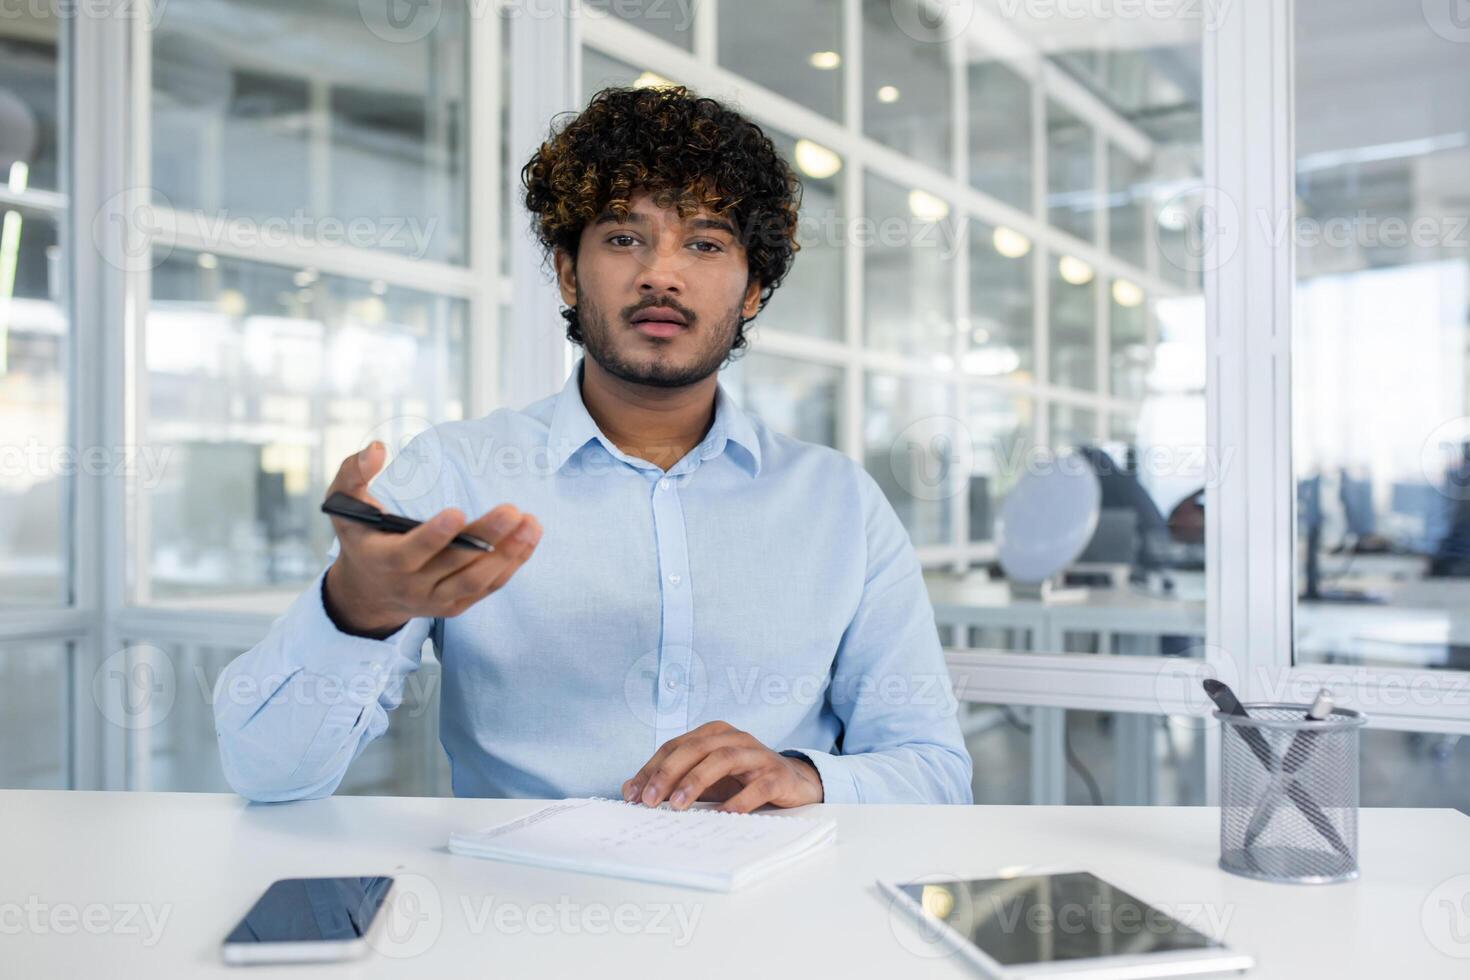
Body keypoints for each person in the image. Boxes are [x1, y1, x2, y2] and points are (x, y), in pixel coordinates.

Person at [213, 85, 973, 810]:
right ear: (570, 274)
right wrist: (359, 604)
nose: (661, 275)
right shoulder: (455, 472)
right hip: (521, 916)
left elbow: (934, 772)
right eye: (623, 238)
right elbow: (267, 773)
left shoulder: (839, 502)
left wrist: (806, 776)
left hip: (769, 918)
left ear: (751, 292)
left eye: (704, 243)